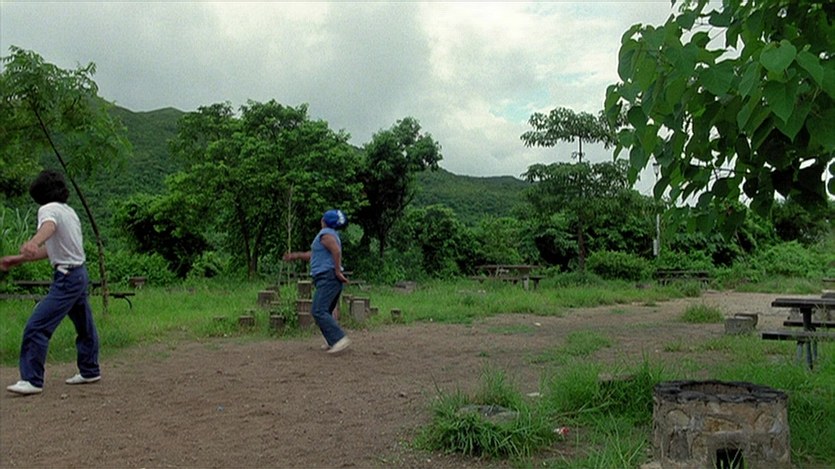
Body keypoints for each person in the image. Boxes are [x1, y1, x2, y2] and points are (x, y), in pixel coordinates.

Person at [1, 170, 101, 395]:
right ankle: (90, 369)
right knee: (84, 325)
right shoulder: (69, 212)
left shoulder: (47, 210)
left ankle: (32, 379)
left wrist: (33, 241)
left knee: (37, 326)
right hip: (79, 274)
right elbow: (52, 250)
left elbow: (48, 227)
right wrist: (17, 259)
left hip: (66, 278)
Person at [283, 209, 351, 354]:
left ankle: (339, 339)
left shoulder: (325, 234)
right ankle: (332, 341)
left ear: (323, 221)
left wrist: (337, 271)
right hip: (328, 279)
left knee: (318, 310)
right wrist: (296, 256)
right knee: (324, 312)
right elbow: (314, 254)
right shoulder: (330, 235)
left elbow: (336, 251)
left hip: (328, 277)